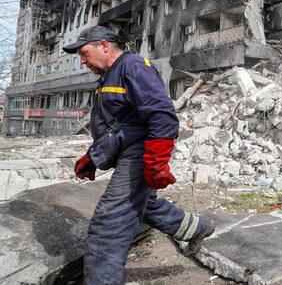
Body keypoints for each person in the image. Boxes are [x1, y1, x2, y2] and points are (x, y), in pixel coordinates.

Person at [64, 26, 214, 285]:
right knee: (144, 205)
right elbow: (120, 127)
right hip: (130, 151)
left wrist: (156, 161)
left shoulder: (133, 66)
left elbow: (162, 115)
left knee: (109, 224)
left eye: (85, 53)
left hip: (140, 153)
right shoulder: (110, 76)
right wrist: (93, 157)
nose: (82, 61)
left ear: (104, 46)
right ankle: (196, 228)